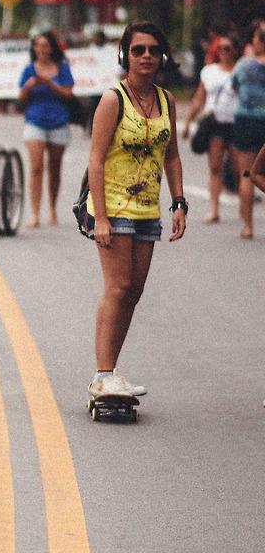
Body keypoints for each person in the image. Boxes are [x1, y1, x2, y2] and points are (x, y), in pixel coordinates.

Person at [84, 21, 186, 401]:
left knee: (134, 292)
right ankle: (102, 374)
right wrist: (102, 219)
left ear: (163, 56)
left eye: (153, 50)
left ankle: (110, 369)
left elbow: (172, 156)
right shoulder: (114, 99)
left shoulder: (166, 100)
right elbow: (95, 161)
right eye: (138, 49)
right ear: (125, 54)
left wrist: (178, 202)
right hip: (112, 206)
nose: (146, 56)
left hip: (147, 209)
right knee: (118, 287)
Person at [17, 31, 76, 227]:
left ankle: (52, 209)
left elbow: (68, 94)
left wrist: (50, 83)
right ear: (34, 49)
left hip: (59, 120)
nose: (41, 50)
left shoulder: (62, 68)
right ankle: (35, 213)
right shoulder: (29, 70)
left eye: (45, 46)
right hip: (35, 120)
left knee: (54, 167)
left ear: (52, 48)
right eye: (38, 46)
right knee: (36, 167)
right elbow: (20, 99)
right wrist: (29, 87)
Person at [181, 33, 241, 224]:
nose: (222, 52)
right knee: (215, 167)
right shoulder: (209, 71)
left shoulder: (241, 71)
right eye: (220, 48)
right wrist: (188, 121)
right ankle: (214, 209)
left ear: (235, 51)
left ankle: (243, 205)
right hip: (215, 123)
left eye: (227, 48)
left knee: (238, 167)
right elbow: (200, 97)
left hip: (236, 123)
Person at [229, 19, 265, 239]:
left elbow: (234, 85)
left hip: (246, 120)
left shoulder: (244, 64)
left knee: (247, 174)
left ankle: (248, 226)